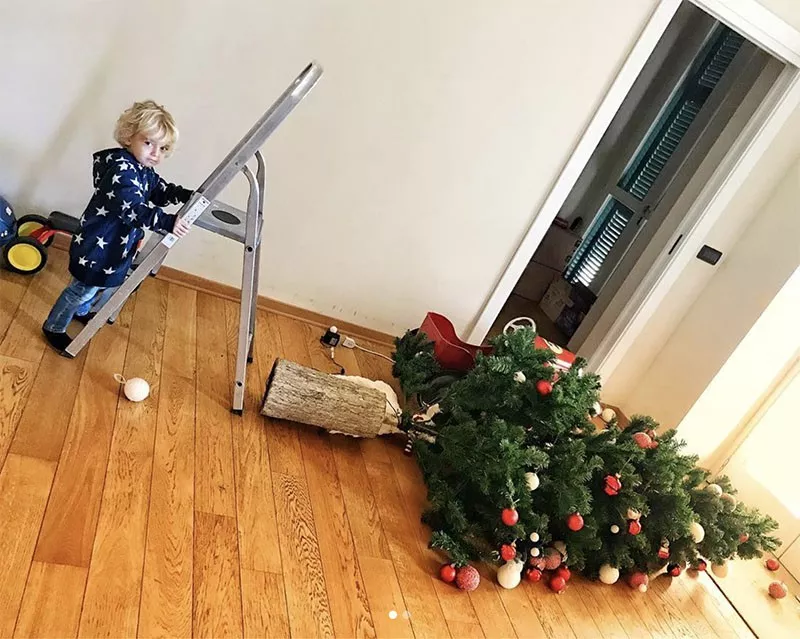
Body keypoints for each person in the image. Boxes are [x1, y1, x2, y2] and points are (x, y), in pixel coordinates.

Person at [42, 100, 193, 354]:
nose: (155, 153)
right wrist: (166, 222)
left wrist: (182, 194)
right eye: (148, 143)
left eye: (162, 147)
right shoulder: (120, 169)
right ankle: (54, 326)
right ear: (128, 136)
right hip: (98, 244)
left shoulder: (143, 169)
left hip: (115, 246)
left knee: (96, 284)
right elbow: (131, 207)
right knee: (81, 288)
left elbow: (158, 189)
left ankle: (79, 311)